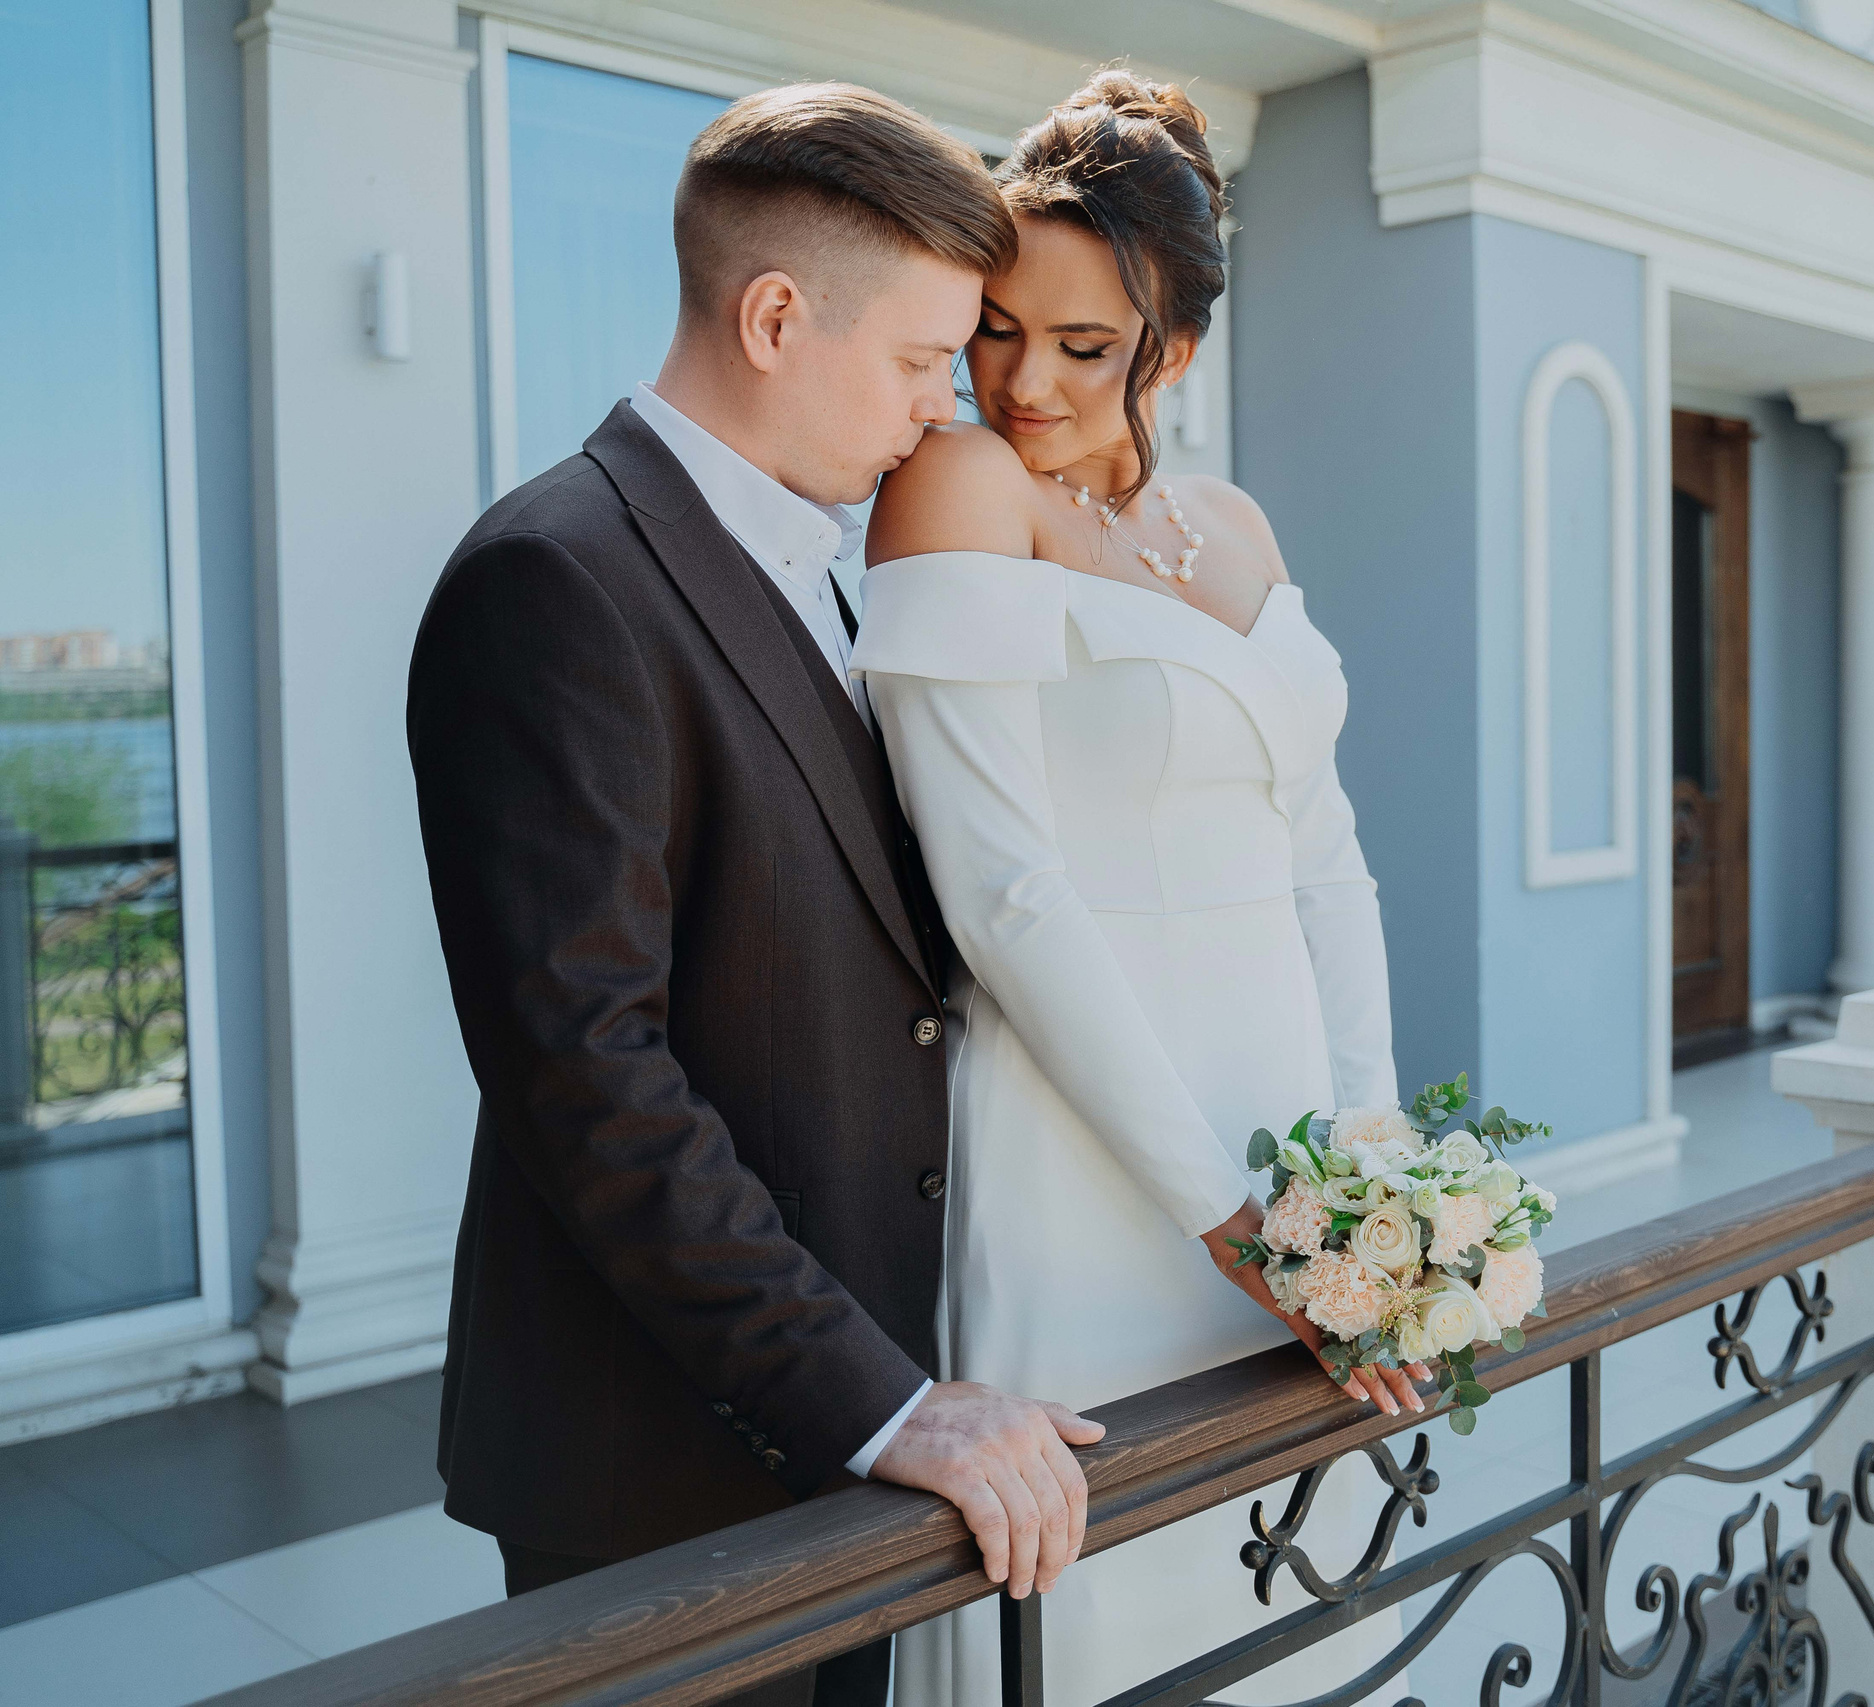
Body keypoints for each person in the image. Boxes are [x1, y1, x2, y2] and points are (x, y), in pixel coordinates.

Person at [407, 84, 1102, 1707]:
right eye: (928, 360)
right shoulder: (553, 576)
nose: (948, 414)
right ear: (777, 315)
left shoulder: (835, 567)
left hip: (847, 1430)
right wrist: (879, 1401)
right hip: (663, 1465)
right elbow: (589, 1075)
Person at [855, 71, 1426, 1707]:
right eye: (996, 328)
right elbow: (1002, 892)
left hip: (1286, 1140)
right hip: (1089, 1156)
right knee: (1111, 1626)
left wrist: (1371, 1170)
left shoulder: (1231, 526)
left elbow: (1326, 856)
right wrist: (1227, 1219)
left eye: (1083, 346)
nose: (1022, 378)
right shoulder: (957, 490)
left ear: (1174, 350)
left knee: (1294, 1604)